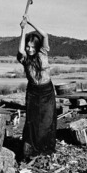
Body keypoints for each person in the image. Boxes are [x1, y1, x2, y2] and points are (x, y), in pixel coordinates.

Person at [17, 14, 56, 158]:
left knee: (47, 120)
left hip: (47, 91)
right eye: (28, 46)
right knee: (32, 121)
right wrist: (23, 30)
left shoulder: (43, 53)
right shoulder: (24, 58)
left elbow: (44, 34)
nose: (29, 49)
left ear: (37, 47)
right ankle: (31, 149)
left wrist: (30, 22)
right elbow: (20, 51)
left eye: (32, 46)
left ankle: (45, 148)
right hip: (33, 92)